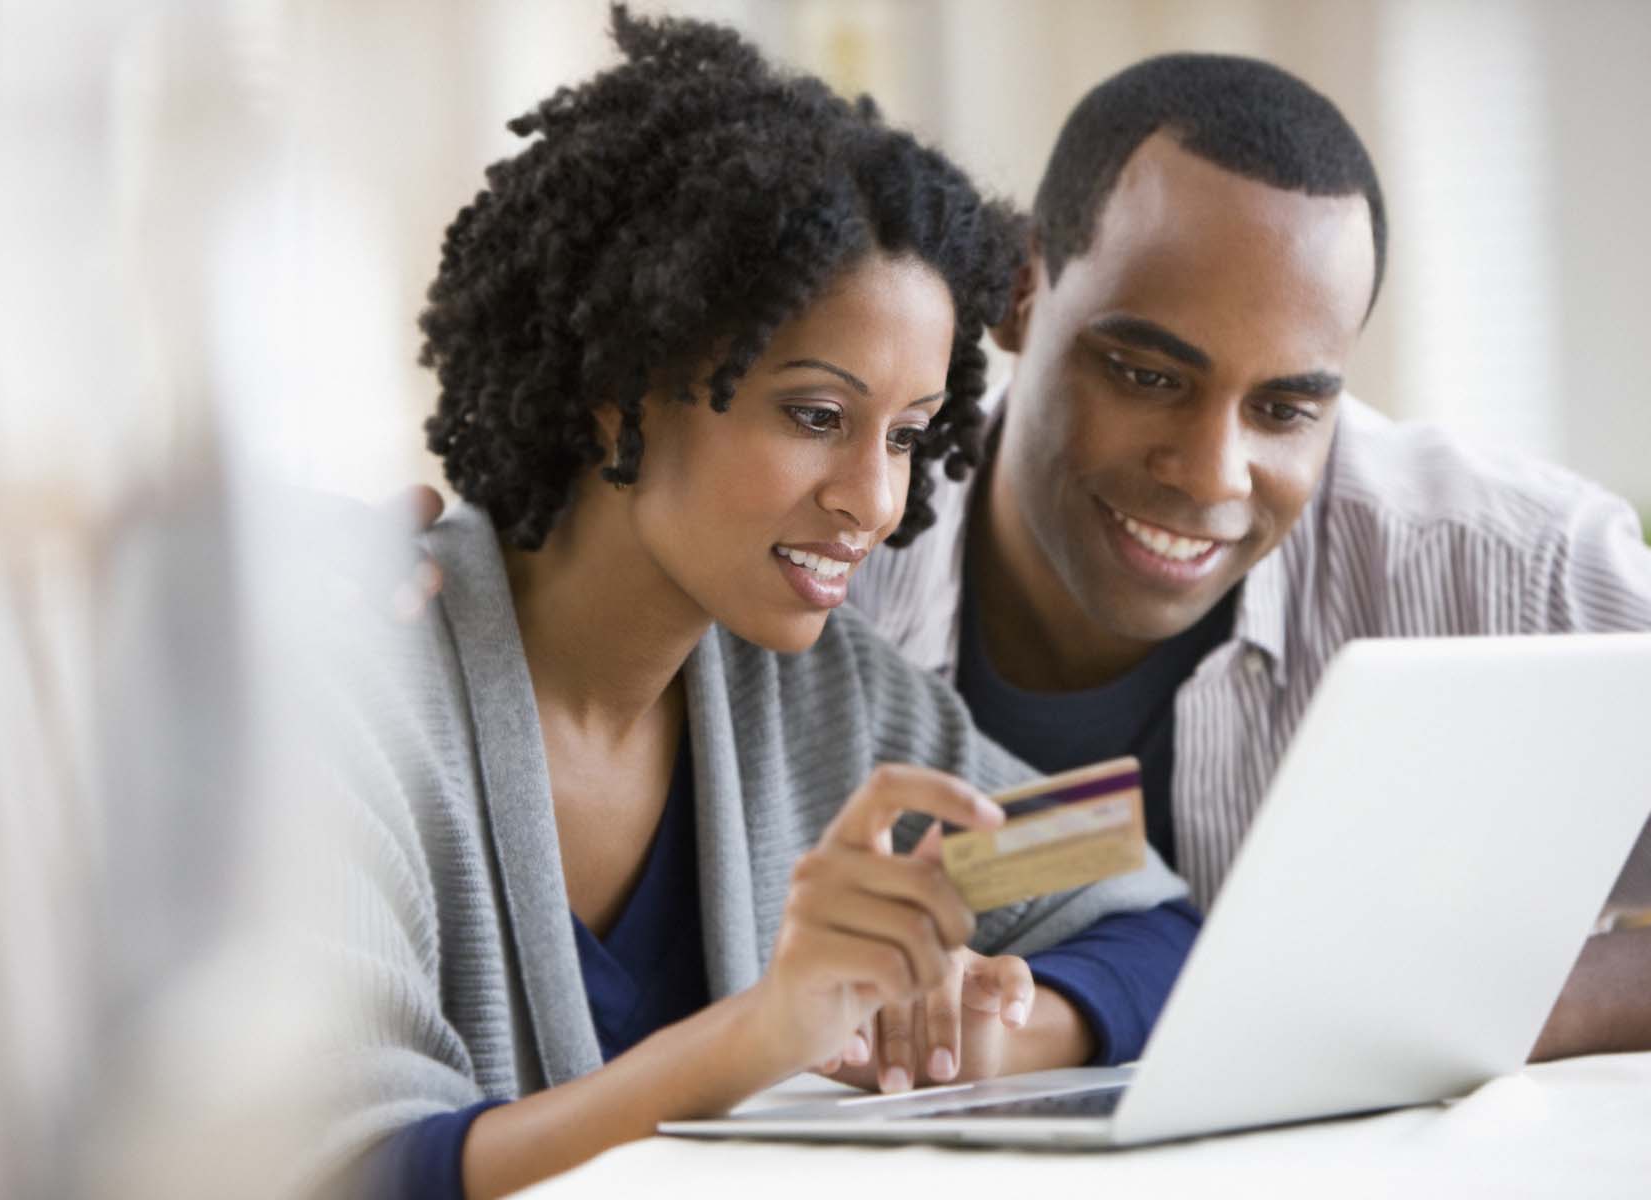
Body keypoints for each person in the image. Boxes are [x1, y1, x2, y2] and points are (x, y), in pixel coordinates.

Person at [317, 11, 1194, 1199]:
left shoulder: (821, 690)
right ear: (621, 396)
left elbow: (1139, 905)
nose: (875, 502)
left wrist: (995, 1021)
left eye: (908, 436)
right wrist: (768, 1030)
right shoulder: (358, 679)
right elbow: (352, 1166)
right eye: (818, 418)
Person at [843, 53, 1651, 1058]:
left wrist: (1517, 998)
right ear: (1017, 292)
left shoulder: (1510, 567)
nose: (1213, 476)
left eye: (1286, 409)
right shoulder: (835, 562)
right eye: (1146, 374)